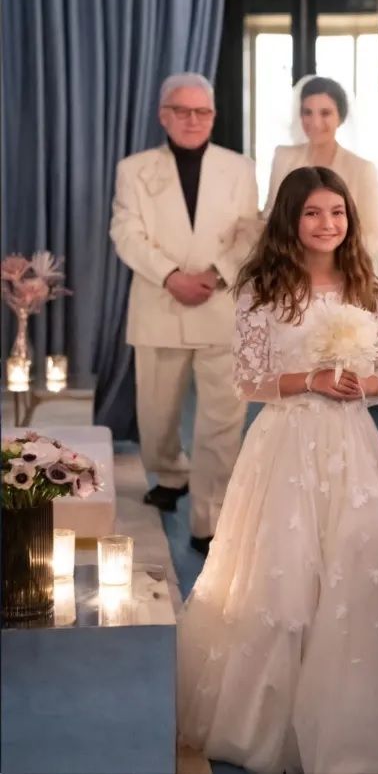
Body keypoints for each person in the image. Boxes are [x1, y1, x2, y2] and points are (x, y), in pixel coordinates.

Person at [178, 166, 378, 773]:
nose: (328, 224)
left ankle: (353, 728)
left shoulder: (369, 287)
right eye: (313, 213)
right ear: (290, 220)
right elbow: (247, 380)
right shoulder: (262, 289)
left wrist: (363, 385)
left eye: (337, 212)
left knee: (358, 565)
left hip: (351, 447)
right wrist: (310, 380)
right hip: (285, 446)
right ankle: (265, 719)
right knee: (282, 574)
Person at [110, 72, 259, 555]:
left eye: (203, 111)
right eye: (183, 111)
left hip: (221, 305)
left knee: (222, 424)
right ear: (164, 116)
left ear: (213, 116)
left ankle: (209, 518)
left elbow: (250, 233)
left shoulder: (240, 168)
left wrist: (216, 273)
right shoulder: (134, 169)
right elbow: (126, 232)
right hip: (161, 302)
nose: (193, 120)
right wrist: (171, 275)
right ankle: (171, 473)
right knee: (156, 417)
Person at [265, 75, 378, 291]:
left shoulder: (362, 169)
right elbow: (272, 216)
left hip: (343, 278)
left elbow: (374, 234)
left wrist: (332, 266)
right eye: (307, 112)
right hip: (289, 275)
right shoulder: (283, 157)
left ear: (341, 117)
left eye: (325, 113)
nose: (315, 122)